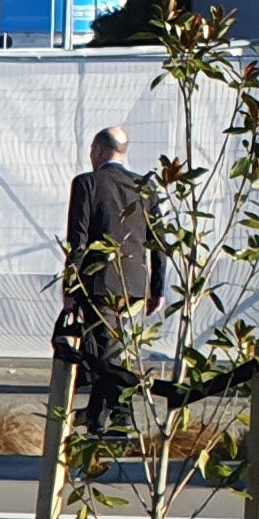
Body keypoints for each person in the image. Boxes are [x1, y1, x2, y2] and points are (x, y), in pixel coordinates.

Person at [57, 125, 161, 415]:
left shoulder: (87, 183)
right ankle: (96, 413)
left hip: (100, 282)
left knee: (108, 351)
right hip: (136, 284)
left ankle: (121, 413)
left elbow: (77, 240)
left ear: (100, 150)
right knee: (110, 347)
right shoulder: (145, 187)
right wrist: (157, 289)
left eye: (92, 150)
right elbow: (158, 241)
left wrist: (70, 286)